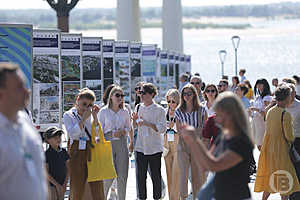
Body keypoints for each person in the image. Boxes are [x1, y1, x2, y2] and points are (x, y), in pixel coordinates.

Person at [180, 92, 254, 200]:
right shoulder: (223, 135)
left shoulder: (241, 142)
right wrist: (191, 141)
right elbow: (205, 163)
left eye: (218, 115)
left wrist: (194, 140)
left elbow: (214, 165)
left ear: (230, 114)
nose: (215, 119)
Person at [0, 62, 47, 200]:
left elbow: (39, 171)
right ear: (1, 94)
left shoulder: (25, 120)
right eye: (19, 87)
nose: (27, 91)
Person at [254, 84, 300, 200]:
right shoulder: (286, 114)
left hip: (269, 148)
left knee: (270, 180)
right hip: (282, 150)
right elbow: (289, 136)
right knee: (285, 181)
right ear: (287, 98)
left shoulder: (270, 111)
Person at [63, 88, 104, 200]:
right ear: (78, 100)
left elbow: (97, 135)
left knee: (97, 185)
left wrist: (95, 117)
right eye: (84, 104)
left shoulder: (91, 115)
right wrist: (83, 120)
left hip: (91, 150)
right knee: (77, 185)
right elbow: (73, 134)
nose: (86, 107)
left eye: (90, 105)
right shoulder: (69, 115)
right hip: (77, 151)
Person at [132, 83, 167, 200]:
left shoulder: (160, 110)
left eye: (144, 93)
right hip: (140, 147)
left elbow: (162, 129)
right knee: (140, 178)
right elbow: (135, 127)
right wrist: (134, 121)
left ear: (152, 94)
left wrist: (147, 123)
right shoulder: (138, 107)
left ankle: (157, 197)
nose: (141, 95)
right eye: (140, 92)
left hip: (155, 148)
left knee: (156, 177)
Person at [175, 84, 207, 200]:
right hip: (183, 146)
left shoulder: (202, 110)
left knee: (196, 175)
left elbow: (205, 128)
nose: (187, 96)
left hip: (197, 146)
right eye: (184, 94)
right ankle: (183, 197)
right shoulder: (179, 111)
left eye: (189, 93)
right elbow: (178, 130)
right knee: (183, 174)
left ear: (194, 95)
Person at [98, 86, 131, 200]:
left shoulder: (125, 111)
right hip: (108, 143)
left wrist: (124, 131)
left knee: (122, 176)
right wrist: (111, 134)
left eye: (122, 96)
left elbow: (128, 127)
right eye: (117, 95)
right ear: (111, 96)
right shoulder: (103, 111)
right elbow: (99, 130)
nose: (120, 98)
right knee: (108, 176)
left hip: (122, 143)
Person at [44, 127, 70, 200]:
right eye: (55, 137)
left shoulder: (64, 152)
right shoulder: (47, 154)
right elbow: (46, 173)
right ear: (48, 140)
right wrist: (57, 185)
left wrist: (64, 184)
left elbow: (68, 169)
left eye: (59, 136)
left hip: (62, 184)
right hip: (51, 185)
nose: (58, 139)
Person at [164, 89, 180, 200]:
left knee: (176, 176)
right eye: (169, 101)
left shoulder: (181, 112)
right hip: (166, 147)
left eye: (173, 101)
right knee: (169, 176)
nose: (170, 104)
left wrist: (173, 126)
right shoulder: (164, 112)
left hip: (178, 146)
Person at [249, 78, 272, 150]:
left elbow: (266, 112)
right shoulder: (258, 97)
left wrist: (256, 109)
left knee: (261, 144)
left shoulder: (267, 97)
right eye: (257, 84)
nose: (258, 85)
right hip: (256, 121)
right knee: (258, 144)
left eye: (260, 84)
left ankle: (265, 160)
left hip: (262, 122)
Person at [286, 83, 300, 200]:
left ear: (294, 93)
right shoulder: (281, 107)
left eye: (289, 93)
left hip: (298, 141)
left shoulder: (299, 106)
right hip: (285, 141)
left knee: (297, 168)